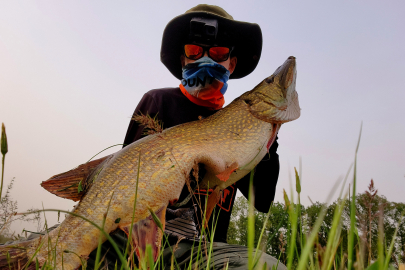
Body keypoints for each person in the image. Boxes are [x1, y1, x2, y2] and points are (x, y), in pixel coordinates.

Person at [86, 4, 285, 270]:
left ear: (232, 63)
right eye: (194, 51)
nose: (206, 59)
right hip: (135, 241)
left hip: (201, 252)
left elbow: (262, 200)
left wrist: (269, 137)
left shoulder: (243, 128)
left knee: (267, 266)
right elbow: (126, 184)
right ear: (183, 60)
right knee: (50, 246)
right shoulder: (158, 101)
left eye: (218, 52)